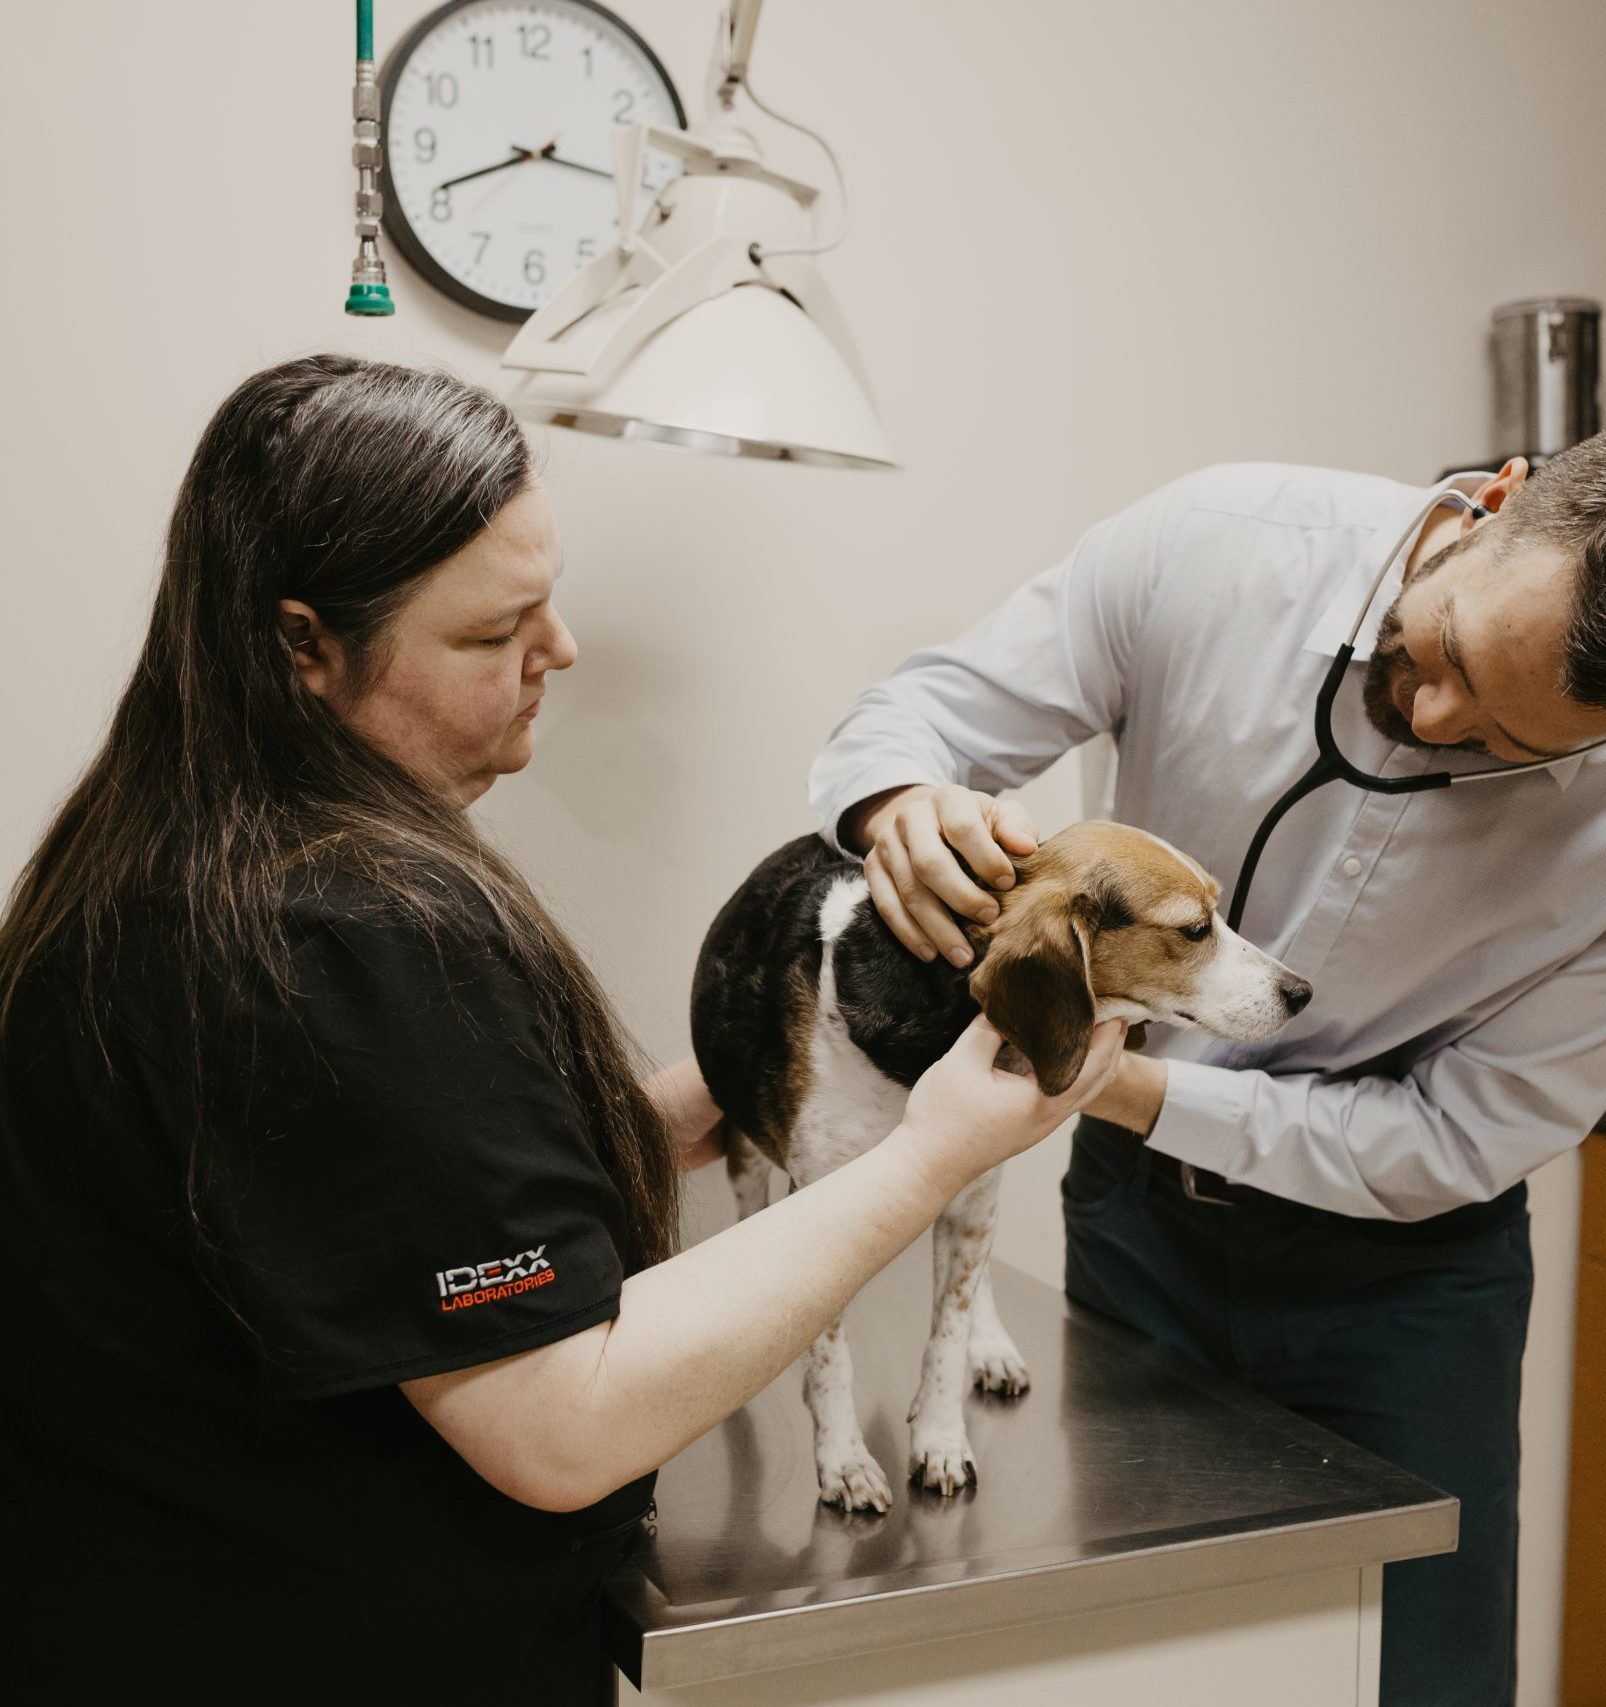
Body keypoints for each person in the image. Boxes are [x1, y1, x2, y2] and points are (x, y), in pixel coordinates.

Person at [0, 354, 1126, 1705]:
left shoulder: (171, 848)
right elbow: (560, 1424)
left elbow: (366, 1212)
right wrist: (928, 1157)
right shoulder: (344, 931)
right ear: (301, 643)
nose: (560, 651)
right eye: (491, 633)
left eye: (550, 601)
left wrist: (677, 1108)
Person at [807, 423, 1606, 1707]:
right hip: (1138, 1232)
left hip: (1411, 1291)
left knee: (1421, 1676)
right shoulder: (1219, 547)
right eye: (1447, 652)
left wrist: (1110, 1080)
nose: (1434, 716)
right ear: (1494, 501)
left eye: (1515, 744)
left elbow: (1464, 1134)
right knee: (1144, 1664)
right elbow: (918, 716)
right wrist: (902, 806)